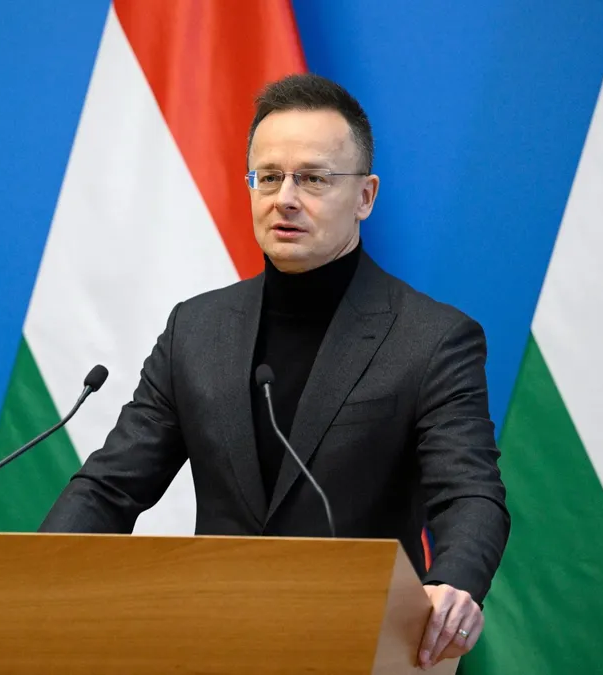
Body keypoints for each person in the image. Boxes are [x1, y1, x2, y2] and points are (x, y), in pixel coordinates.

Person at [39, 73, 510, 669]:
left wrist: (454, 584)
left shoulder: (432, 338)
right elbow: (112, 487)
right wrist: (34, 574)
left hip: (360, 645)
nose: (285, 197)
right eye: (268, 177)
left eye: (313, 178)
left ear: (365, 196)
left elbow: (469, 493)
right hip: (212, 646)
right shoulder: (197, 329)